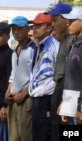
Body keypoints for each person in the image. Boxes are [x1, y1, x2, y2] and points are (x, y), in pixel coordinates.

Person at [44, 3, 75, 141]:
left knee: (68, 131)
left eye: (56, 20)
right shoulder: (63, 40)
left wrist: (67, 101)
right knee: (56, 129)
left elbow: (74, 74)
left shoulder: (74, 40)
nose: (53, 24)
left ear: (67, 20)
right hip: (59, 88)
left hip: (68, 89)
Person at [28, 13, 59, 141]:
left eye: (39, 25)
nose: (34, 28)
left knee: (45, 134)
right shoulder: (37, 46)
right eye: (34, 25)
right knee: (37, 133)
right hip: (37, 97)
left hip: (47, 98)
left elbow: (57, 74)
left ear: (49, 28)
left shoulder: (54, 46)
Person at [5, 16, 35, 141]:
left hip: (26, 99)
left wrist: (24, 93)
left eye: (19, 29)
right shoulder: (14, 51)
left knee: (26, 136)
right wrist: (8, 91)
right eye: (13, 29)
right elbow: (13, 75)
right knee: (13, 137)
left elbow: (37, 77)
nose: (16, 32)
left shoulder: (34, 49)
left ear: (28, 29)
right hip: (13, 100)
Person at [60, 6, 82, 125]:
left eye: (72, 21)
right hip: (71, 102)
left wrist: (80, 108)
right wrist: (65, 105)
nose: (68, 24)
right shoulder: (75, 43)